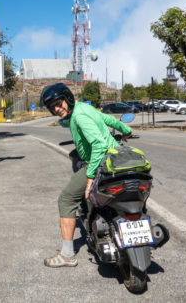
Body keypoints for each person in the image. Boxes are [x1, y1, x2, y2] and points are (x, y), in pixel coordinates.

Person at [40, 83, 132, 268]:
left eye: (59, 104)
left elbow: (97, 145)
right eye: (53, 108)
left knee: (66, 199)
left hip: (98, 162)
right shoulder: (84, 108)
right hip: (115, 157)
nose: (57, 109)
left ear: (67, 98)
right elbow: (107, 119)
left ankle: (66, 255)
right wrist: (126, 130)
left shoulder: (79, 116)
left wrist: (90, 176)